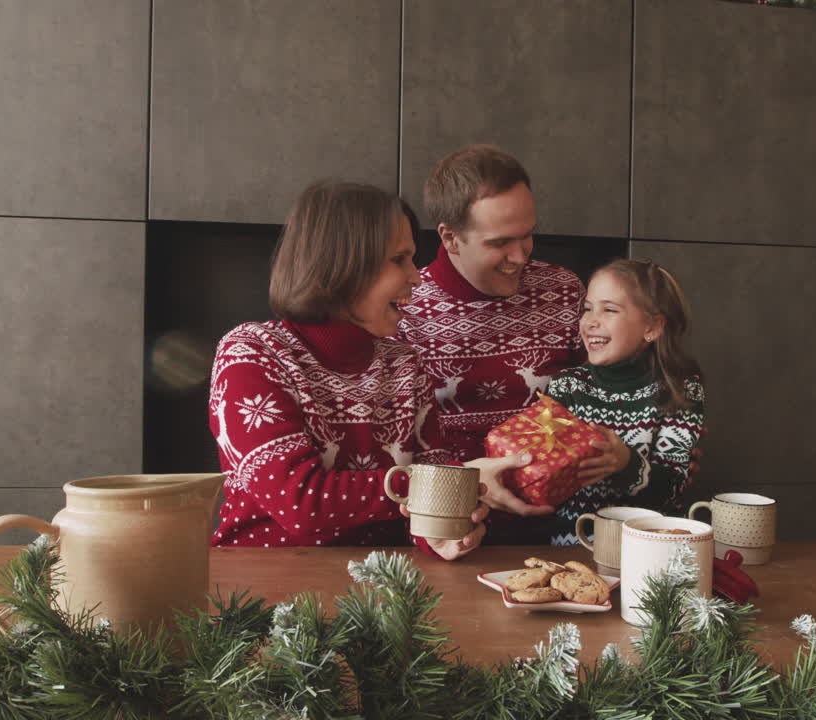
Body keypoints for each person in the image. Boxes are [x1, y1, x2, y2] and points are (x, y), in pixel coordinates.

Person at [208, 180, 525, 560]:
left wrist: (439, 533)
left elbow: (423, 500)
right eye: (398, 259)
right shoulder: (252, 354)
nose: (417, 276)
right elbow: (300, 502)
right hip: (264, 586)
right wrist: (441, 485)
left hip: (386, 585)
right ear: (341, 264)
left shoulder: (404, 364)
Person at [397, 145, 585, 531]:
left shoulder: (564, 290)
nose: (520, 256)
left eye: (527, 236)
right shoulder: (402, 307)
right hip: (453, 514)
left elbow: (600, 393)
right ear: (450, 238)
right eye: (499, 243)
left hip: (563, 508)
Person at [545, 259, 706, 546]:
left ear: (652, 327)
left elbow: (673, 487)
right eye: (587, 308)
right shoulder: (566, 385)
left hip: (651, 549)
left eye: (609, 310)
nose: (591, 321)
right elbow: (550, 477)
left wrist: (625, 463)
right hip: (572, 547)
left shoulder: (681, 388)